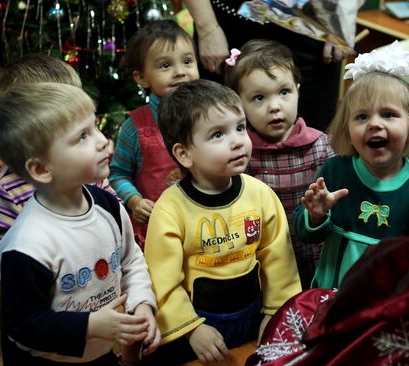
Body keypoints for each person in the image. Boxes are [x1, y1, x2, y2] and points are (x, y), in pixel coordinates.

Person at [0, 82, 159, 366]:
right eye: (82, 137)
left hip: (101, 357)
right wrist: (89, 326)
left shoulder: (108, 205)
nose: (103, 141)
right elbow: (22, 325)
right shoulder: (27, 245)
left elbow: (131, 261)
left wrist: (142, 304)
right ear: (41, 169)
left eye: (95, 127)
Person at [142, 79, 302, 366]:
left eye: (240, 127)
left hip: (252, 319)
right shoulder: (170, 209)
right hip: (196, 330)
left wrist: (275, 314)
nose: (238, 140)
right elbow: (161, 281)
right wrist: (191, 329)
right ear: (184, 154)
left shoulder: (260, 194)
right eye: (218, 134)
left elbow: (279, 262)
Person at [293, 43, 409, 289]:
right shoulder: (335, 171)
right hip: (330, 297)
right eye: (362, 117)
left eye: (388, 114)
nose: (374, 124)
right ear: (347, 128)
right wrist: (315, 215)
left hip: (384, 305)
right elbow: (306, 234)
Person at [0, 53, 116, 269]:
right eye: (80, 133)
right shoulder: (5, 189)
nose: (101, 141)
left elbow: (114, 209)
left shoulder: (89, 172)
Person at [223, 39, 335, 289]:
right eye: (259, 97)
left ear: (297, 89)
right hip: (264, 257)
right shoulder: (241, 153)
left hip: (316, 251)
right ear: (238, 103)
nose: (275, 107)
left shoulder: (321, 146)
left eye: (284, 92)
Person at [182, 0, 346, 131]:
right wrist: (207, 29)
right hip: (228, 26)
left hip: (312, 26)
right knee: (221, 136)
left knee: (313, 140)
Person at [109, 19, 199, 250]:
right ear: (142, 78)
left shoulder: (210, 115)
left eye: (187, 61)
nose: (180, 72)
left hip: (205, 226)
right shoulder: (135, 127)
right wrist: (135, 201)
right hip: (158, 235)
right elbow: (118, 174)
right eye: (165, 66)